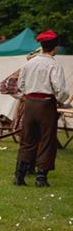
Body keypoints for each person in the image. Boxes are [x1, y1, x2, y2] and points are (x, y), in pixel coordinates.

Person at [14, 30, 70, 187]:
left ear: (42, 45)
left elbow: (20, 86)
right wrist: (61, 99)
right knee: (47, 140)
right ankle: (41, 179)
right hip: (46, 105)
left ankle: (19, 176)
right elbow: (60, 90)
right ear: (55, 47)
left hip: (30, 104)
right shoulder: (54, 65)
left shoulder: (28, 64)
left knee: (27, 139)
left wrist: (28, 95)